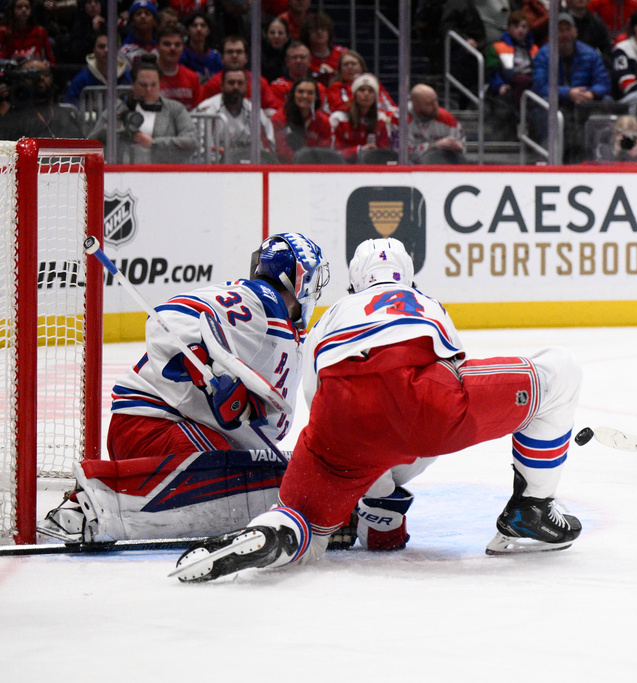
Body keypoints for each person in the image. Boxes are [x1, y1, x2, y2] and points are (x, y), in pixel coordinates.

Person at [171, 237, 583, 582]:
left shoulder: (330, 316)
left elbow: (317, 404)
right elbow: (453, 376)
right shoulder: (424, 302)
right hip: (423, 411)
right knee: (559, 371)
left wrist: (360, 477)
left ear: (354, 283)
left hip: (340, 431)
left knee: (302, 518)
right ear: (407, 276)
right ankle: (532, 509)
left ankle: (272, 535)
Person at [38, 234, 329, 543]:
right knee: (231, 491)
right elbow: (170, 319)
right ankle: (93, 506)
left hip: (189, 431)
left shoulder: (290, 329)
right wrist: (210, 371)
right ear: (300, 279)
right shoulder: (258, 300)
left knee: (271, 481)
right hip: (152, 426)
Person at [529, 13, 611, 162]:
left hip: (585, 104)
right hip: (556, 104)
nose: (564, 34)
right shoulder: (544, 54)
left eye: (567, 29)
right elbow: (540, 86)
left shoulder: (590, 53)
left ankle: (601, 158)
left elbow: (603, 82)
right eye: (559, 30)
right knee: (543, 109)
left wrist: (592, 93)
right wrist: (568, 93)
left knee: (607, 103)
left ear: (575, 31)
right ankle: (550, 158)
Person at [87, 55, 199, 163]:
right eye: (143, 85)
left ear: (160, 84)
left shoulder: (175, 109)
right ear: (133, 84)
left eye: (153, 85)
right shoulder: (118, 108)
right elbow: (90, 143)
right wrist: (106, 131)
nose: (149, 90)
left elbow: (192, 142)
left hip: (163, 175)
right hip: (123, 174)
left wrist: (154, 144)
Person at [194, 65, 276, 162]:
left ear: (246, 86)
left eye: (240, 83)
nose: (236, 87)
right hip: (214, 167)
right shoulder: (207, 110)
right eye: (231, 83)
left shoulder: (255, 112)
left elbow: (268, 146)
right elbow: (199, 147)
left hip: (246, 166)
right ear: (222, 86)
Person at [0, 59, 84, 140]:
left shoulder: (67, 113)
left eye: (45, 74)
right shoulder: (12, 115)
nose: (41, 77)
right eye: (32, 74)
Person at [200, 35, 281, 112]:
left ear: (246, 57)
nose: (234, 56)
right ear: (222, 58)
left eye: (239, 52)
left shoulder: (258, 82)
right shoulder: (213, 84)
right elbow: (203, 111)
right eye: (230, 52)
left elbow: (272, 110)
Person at [325, 49, 398, 127]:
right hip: (350, 123)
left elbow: (390, 106)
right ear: (340, 69)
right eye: (346, 64)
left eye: (353, 64)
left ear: (362, 67)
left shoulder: (374, 84)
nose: (350, 67)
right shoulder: (335, 87)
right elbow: (337, 108)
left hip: (377, 119)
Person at [329, 73, 391, 162]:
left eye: (371, 91)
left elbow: (385, 152)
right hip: (344, 168)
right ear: (354, 94)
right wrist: (357, 150)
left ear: (375, 96)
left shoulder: (382, 119)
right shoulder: (338, 118)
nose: (366, 94)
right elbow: (332, 154)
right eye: (361, 90)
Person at [271, 76, 332, 163]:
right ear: (293, 94)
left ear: (316, 97)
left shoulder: (323, 121)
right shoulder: (279, 118)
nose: (305, 96)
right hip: (286, 169)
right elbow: (281, 151)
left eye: (310, 93)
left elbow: (324, 151)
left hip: (314, 170)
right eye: (300, 92)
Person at [485, 11, 537, 111]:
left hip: (529, 86)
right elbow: (492, 73)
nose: (520, 30)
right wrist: (499, 85)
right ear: (509, 29)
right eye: (516, 26)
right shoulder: (497, 48)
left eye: (524, 26)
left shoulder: (535, 49)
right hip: (508, 86)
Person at [63, 32, 132, 107]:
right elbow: (71, 109)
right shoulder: (81, 80)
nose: (106, 50)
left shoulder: (127, 77)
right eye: (101, 47)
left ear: (117, 50)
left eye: (111, 46)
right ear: (94, 50)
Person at [408, 82, 466, 164]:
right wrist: (434, 145)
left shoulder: (448, 120)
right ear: (416, 105)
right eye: (429, 103)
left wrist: (457, 147)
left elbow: (462, 148)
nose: (435, 106)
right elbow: (402, 152)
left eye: (436, 101)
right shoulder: (400, 119)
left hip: (439, 166)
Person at [156, 23, 203, 110]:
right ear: (157, 47)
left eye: (177, 45)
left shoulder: (192, 77)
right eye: (167, 44)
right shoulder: (147, 76)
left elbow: (198, 112)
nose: (173, 48)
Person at [0, 0, 57, 64]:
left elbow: (51, 60)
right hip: (12, 71)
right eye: (19, 7)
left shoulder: (40, 32)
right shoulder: (3, 32)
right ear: (12, 10)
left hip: (36, 70)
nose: (24, 10)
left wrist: (47, 64)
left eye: (27, 7)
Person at [303, 12, 346, 87]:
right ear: (307, 33)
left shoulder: (342, 54)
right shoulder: (302, 56)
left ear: (329, 32)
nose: (319, 32)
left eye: (323, 29)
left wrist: (334, 74)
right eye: (314, 29)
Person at [565, 0, 612, 67]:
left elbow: (607, 53)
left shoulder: (597, 24)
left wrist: (595, 66)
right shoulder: (559, 22)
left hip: (591, 70)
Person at [181, 12, 223, 84]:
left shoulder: (216, 56)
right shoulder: (181, 54)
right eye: (194, 25)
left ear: (209, 31)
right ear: (187, 30)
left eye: (203, 26)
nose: (199, 29)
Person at [119, 0, 159, 69]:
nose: (143, 16)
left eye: (147, 14)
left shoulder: (163, 48)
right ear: (132, 22)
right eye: (138, 14)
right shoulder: (124, 52)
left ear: (155, 21)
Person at [261, 16, 292, 82]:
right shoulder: (259, 54)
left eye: (280, 33)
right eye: (272, 33)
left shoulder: (293, 53)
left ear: (287, 37)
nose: (276, 36)